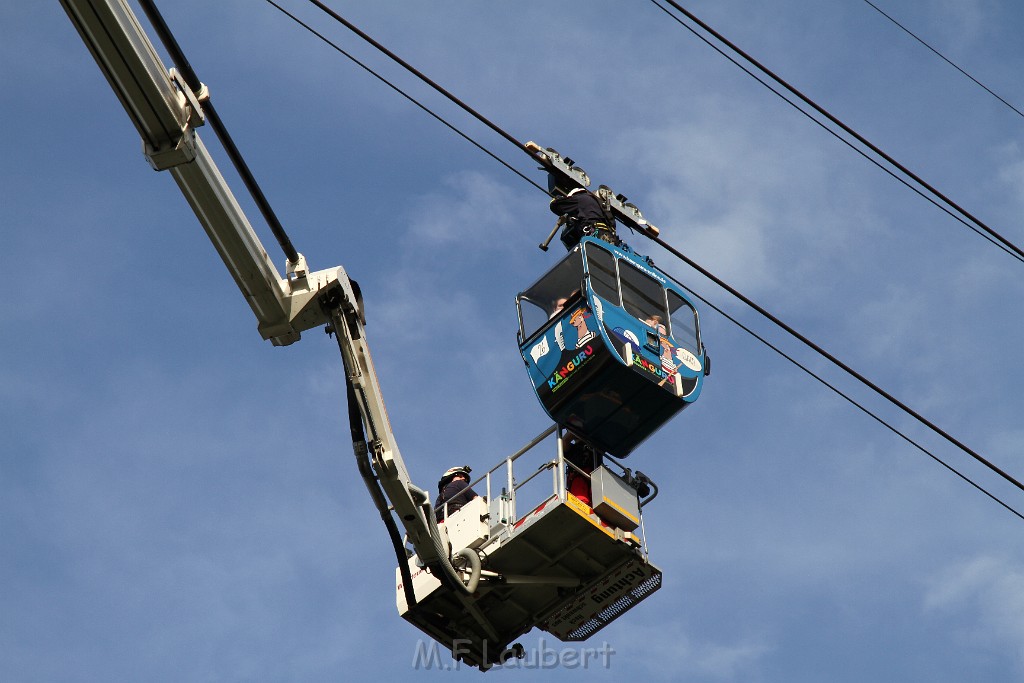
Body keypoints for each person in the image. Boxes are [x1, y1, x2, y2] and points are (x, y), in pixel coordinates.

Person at [547, 173, 618, 251]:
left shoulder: (579, 199)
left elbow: (555, 205)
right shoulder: (605, 210)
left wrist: (557, 198)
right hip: (611, 238)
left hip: (595, 235)